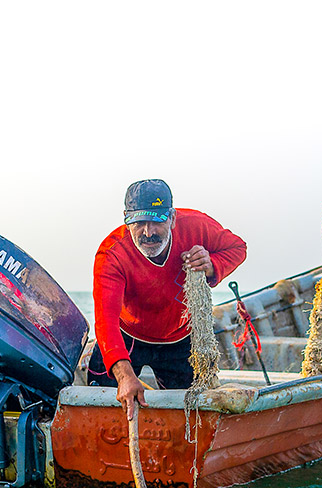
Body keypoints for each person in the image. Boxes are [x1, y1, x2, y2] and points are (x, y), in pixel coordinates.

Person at [90, 179, 247, 419]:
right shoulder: (112, 253)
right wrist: (124, 376)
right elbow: (105, 322)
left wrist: (212, 265)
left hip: (179, 337)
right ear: (126, 218)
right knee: (97, 405)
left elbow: (237, 248)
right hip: (128, 336)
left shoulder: (197, 225)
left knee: (191, 416)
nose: (148, 232)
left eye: (157, 221)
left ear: (172, 218)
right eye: (139, 222)